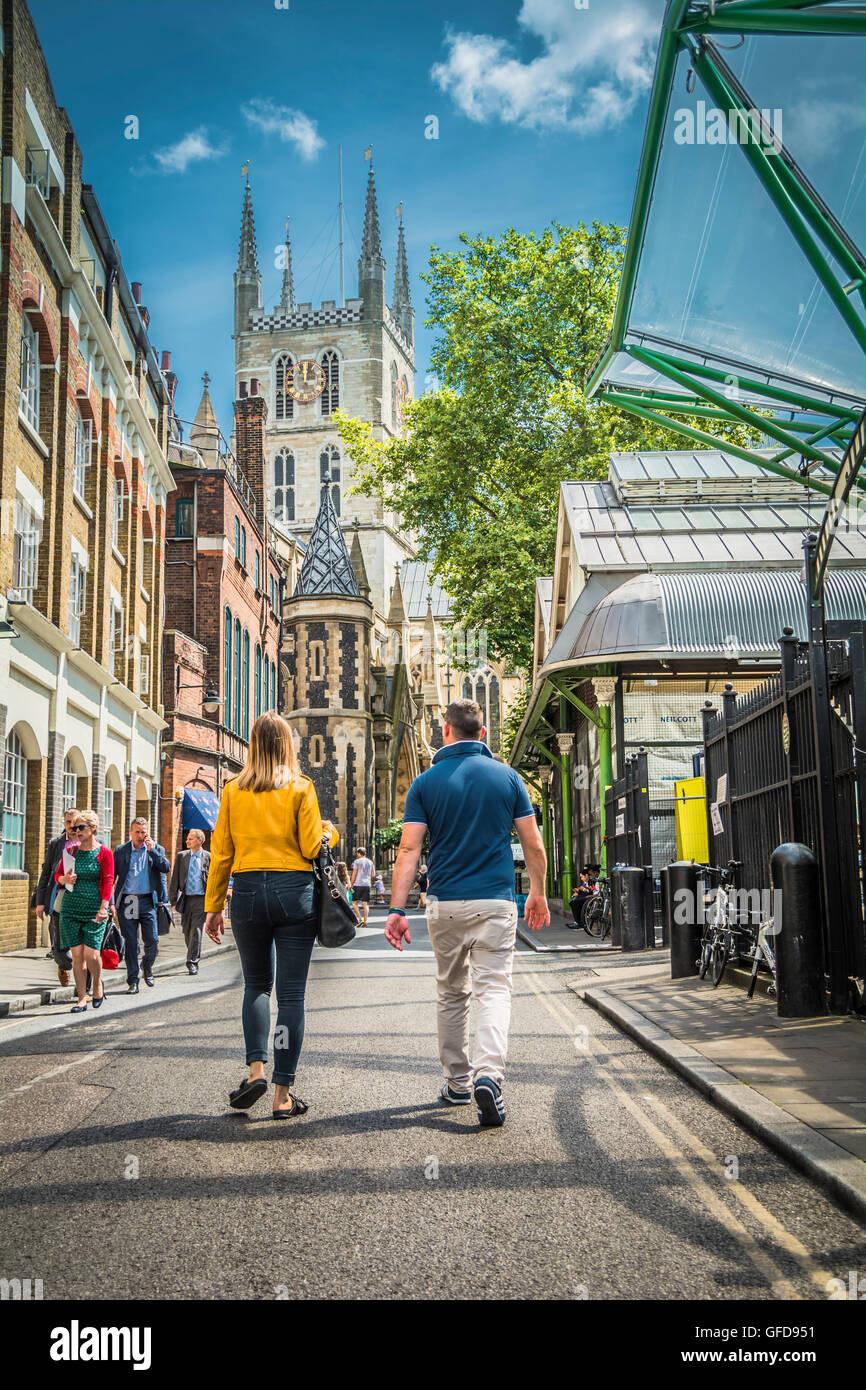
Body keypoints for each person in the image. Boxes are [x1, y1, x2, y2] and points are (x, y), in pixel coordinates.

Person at [385, 698, 549, 1128]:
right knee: (494, 989)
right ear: (483, 733)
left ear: (446, 731)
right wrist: (538, 893)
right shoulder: (509, 778)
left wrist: (397, 909)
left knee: (452, 992)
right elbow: (533, 844)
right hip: (495, 902)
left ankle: (458, 1083)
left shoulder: (424, 783)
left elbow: (409, 849)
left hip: (445, 904)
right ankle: (489, 1076)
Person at [204, 711, 339, 1118]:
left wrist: (212, 908)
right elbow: (313, 845)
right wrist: (330, 832)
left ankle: (254, 1072)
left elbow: (221, 852)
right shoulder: (301, 788)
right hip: (292, 892)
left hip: (245, 893)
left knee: (256, 986)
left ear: (253, 745)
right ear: (287, 745)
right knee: (292, 995)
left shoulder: (232, 790)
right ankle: (282, 1096)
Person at [55, 810, 114, 1014]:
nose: (76, 831)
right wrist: (64, 879)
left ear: (92, 829)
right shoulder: (70, 852)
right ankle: (81, 998)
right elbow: (57, 876)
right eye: (74, 828)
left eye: (81, 827)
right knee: (77, 956)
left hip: (94, 910)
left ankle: (97, 984)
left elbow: (108, 880)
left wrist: (104, 907)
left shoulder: (104, 853)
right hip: (71, 909)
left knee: (92, 955)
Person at [112, 818, 171, 994]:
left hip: (147, 901)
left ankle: (147, 966)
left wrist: (153, 852)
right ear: (130, 832)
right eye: (137, 832)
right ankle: (133, 980)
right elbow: (112, 876)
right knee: (131, 943)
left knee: (152, 940)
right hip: (128, 901)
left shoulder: (156, 849)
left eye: (143, 832)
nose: (140, 835)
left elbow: (166, 867)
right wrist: (109, 902)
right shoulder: (121, 851)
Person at [35, 807, 80, 986]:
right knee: (58, 946)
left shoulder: (93, 843)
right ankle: (65, 964)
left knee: (81, 944)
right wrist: (40, 902)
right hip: (59, 895)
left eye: (75, 822)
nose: (71, 826)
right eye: (68, 822)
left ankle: (83, 981)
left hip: (82, 898)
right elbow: (46, 873)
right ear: (64, 822)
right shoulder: (56, 843)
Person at [168, 828, 210, 975]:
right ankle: (192, 952)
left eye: (190, 839)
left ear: (200, 840)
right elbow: (174, 880)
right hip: (185, 898)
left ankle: (192, 962)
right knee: (186, 930)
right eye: (187, 839)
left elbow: (213, 881)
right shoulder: (182, 856)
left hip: (201, 898)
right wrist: (172, 900)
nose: (187, 841)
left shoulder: (208, 857)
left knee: (196, 930)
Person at [349, 846, 375, 925]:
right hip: (367, 884)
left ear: (359, 853)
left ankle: (360, 919)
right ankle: (365, 922)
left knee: (354, 902)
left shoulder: (357, 861)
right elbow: (373, 874)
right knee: (365, 903)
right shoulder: (370, 862)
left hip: (358, 884)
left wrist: (351, 883)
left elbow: (354, 873)